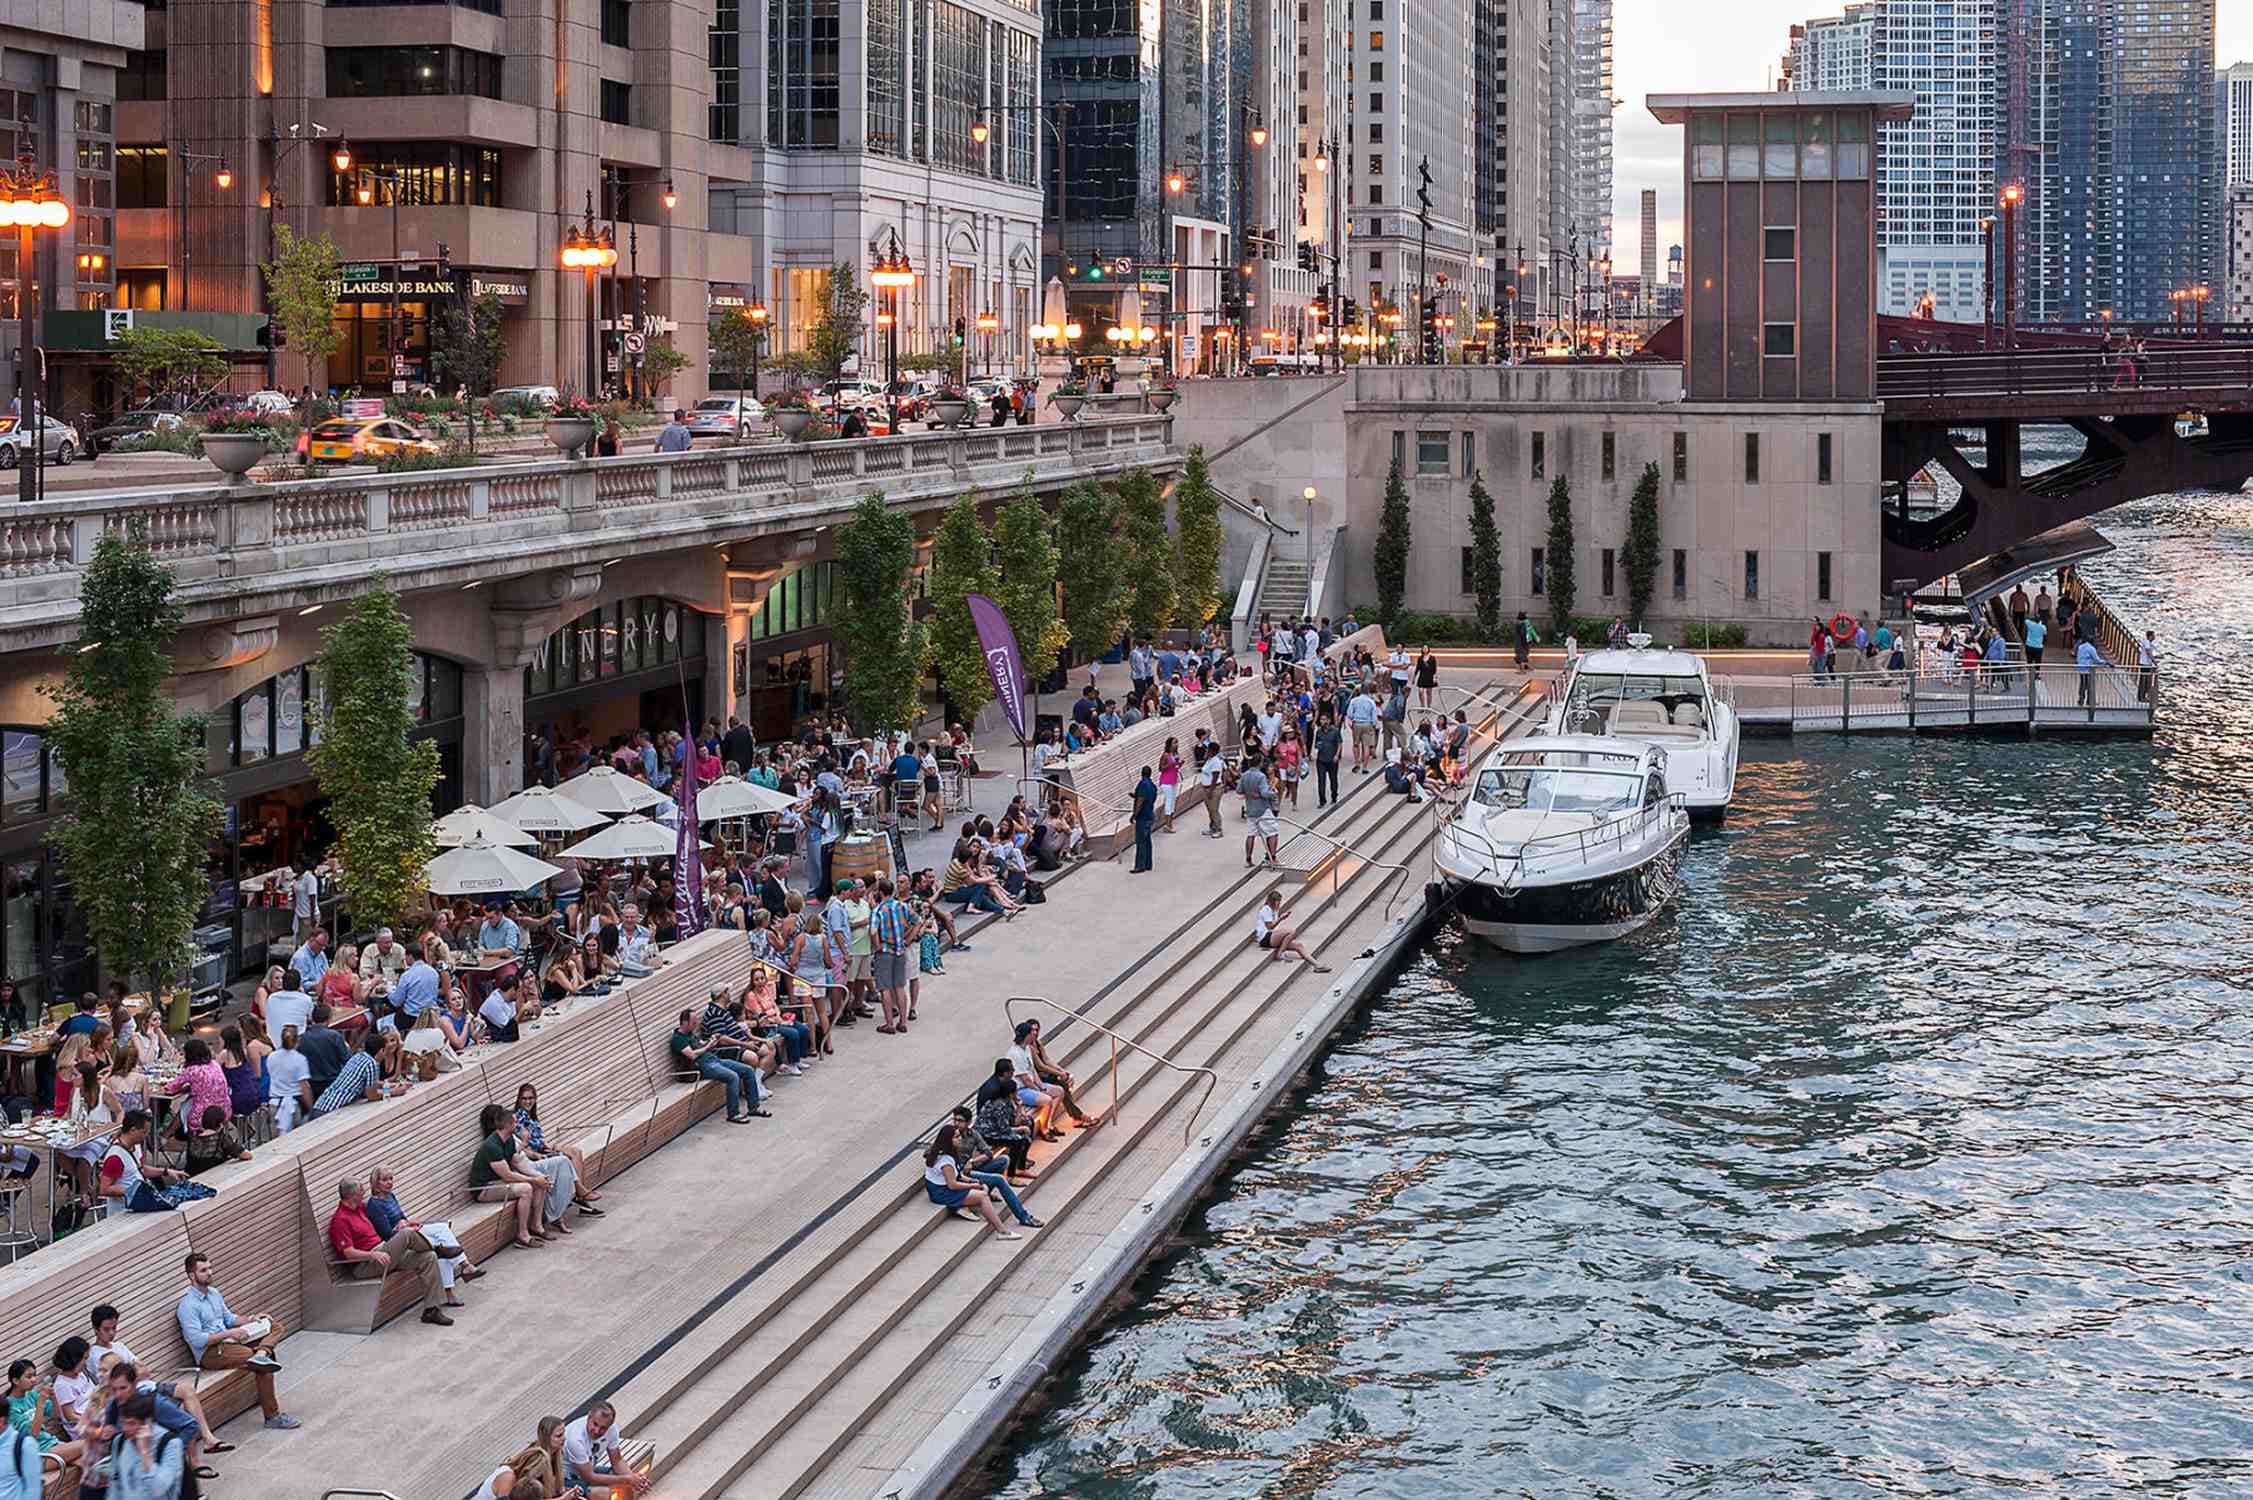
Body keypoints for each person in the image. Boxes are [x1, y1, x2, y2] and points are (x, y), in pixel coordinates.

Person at [175, 1252, 299, 1429]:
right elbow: (197, 1340)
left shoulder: (214, 1293)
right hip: (210, 1353)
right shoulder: (187, 1306)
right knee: (259, 1363)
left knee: (273, 1326)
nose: (210, 1272)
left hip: (230, 1342)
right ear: (191, 1276)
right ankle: (272, 1416)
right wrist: (228, 1334)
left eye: (210, 1268)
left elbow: (229, 1319)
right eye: (203, 1270)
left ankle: (262, 1352)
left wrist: (252, 1319)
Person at [327, 1179, 456, 1326]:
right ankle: (436, 1248)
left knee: (428, 1257)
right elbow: (348, 1253)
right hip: (366, 1264)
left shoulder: (360, 1208)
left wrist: (400, 1224)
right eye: (361, 1191)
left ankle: (431, 1310)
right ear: (352, 1195)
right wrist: (372, 1255)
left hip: (384, 1251)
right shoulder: (340, 1220)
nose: (364, 1194)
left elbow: (380, 1212)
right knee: (407, 1234)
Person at [470, 1105, 577, 1244]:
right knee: (526, 1189)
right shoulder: (492, 1146)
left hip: (499, 1181)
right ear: (508, 1125)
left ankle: (536, 1226)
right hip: (483, 1189)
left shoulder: (508, 1140)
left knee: (539, 1183)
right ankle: (523, 1234)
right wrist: (533, 1180)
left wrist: (539, 1177)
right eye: (515, 1122)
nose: (518, 1124)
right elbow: (508, 1175)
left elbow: (516, 1162)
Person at [923, 1123, 1023, 1240]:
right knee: (983, 1196)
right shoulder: (945, 1162)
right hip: (942, 1193)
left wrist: (972, 1181)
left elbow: (958, 1175)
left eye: (959, 1136)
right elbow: (953, 1184)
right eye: (956, 1137)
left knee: (981, 1190)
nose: (960, 1139)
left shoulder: (946, 1153)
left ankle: (966, 1207)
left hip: (942, 1188)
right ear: (948, 1140)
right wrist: (973, 1185)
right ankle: (1002, 1231)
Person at [513, 1083, 603, 1210]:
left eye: (531, 1098)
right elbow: (519, 1144)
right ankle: (580, 1193)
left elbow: (537, 1139)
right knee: (567, 1157)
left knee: (576, 1151)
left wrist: (549, 1146)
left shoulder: (531, 1116)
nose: (528, 1101)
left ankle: (580, 1194)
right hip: (534, 1156)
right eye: (524, 1099)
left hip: (542, 1148)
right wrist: (537, 1151)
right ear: (519, 1100)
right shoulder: (517, 1118)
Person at [562, 1402, 649, 1496]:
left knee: (626, 1481)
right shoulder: (575, 1438)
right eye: (595, 1424)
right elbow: (590, 1477)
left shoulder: (612, 1429)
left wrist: (635, 1480)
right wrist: (628, 1479)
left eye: (603, 1428)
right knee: (602, 1493)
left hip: (589, 1470)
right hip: (566, 1480)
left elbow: (617, 1461)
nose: (597, 1431)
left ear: (610, 1425)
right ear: (589, 1416)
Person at [1254, 887, 1330, 970]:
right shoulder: (1265, 909)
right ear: (1273, 902)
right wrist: (1281, 918)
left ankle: (1317, 965)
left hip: (1272, 936)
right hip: (1265, 938)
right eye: (1278, 902)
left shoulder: (1274, 910)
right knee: (1291, 932)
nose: (1279, 904)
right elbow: (1269, 926)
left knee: (1299, 945)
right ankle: (1280, 953)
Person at [1238, 755, 1281, 868]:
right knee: (1273, 831)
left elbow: (1239, 790)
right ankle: (1272, 857)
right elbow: (1264, 793)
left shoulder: (1245, 775)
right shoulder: (1261, 776)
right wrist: (1274, 793)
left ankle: (1248, 858)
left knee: (1251, 834)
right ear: (1260, 763)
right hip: (1262, 809)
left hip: (1250, 809)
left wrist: (1249, 794)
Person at [262, 967, 314, 1048]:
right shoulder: (306, 999)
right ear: (299, 984)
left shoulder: (272, 998)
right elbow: (313, 1018)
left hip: (272, 1044)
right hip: (294, 1044)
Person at [1129, 766, 1158, 874]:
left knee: (1140, 841)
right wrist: (1135, 796)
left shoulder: (1142, 784)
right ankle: (1148, 864)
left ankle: (1140, 865)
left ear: (1142, 773)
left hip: (1143, 817)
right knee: (1147, 841)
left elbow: (1141, 800)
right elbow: (1149, 798)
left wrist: (1134, 815)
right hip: (1150, 815)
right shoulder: (1152, 786)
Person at [2076, 636, 2099, 707]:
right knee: (2089, 685)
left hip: (2080, 668)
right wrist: (2106, 663)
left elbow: (2078, 657)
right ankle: (2089, 701)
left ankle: (2081, 700)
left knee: (2082, 684)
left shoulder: (2080, 647)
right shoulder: (2092, 649)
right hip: (2088, 669)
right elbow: (2097, 660)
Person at [2138, 629, 2156, 703]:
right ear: (2150, 636)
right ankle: (2141, 697)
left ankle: (2142, 696)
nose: (2155, 637)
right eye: (2154, 635)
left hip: (2146, 664)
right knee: (2144, 681)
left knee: (2144, 680)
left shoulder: (2147, 642)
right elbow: (2148, 652)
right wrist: (2154, 661)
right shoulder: (2147, 642)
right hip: (2145, 664)